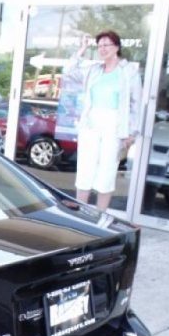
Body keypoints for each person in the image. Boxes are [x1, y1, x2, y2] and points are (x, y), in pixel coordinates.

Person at [65, 30, 142, 212]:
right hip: (91, 124)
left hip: (114, 125)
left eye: (106, 45)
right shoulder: (94, 70)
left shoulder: (128, 72)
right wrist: (82, 49)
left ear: (116, 47)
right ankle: (81, 213)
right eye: (99, 46)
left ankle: (100, 215)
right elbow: (68, 71)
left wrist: (132, 132)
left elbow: (136, 104)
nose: (102, 49)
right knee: (85, 169)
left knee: (107, 171)